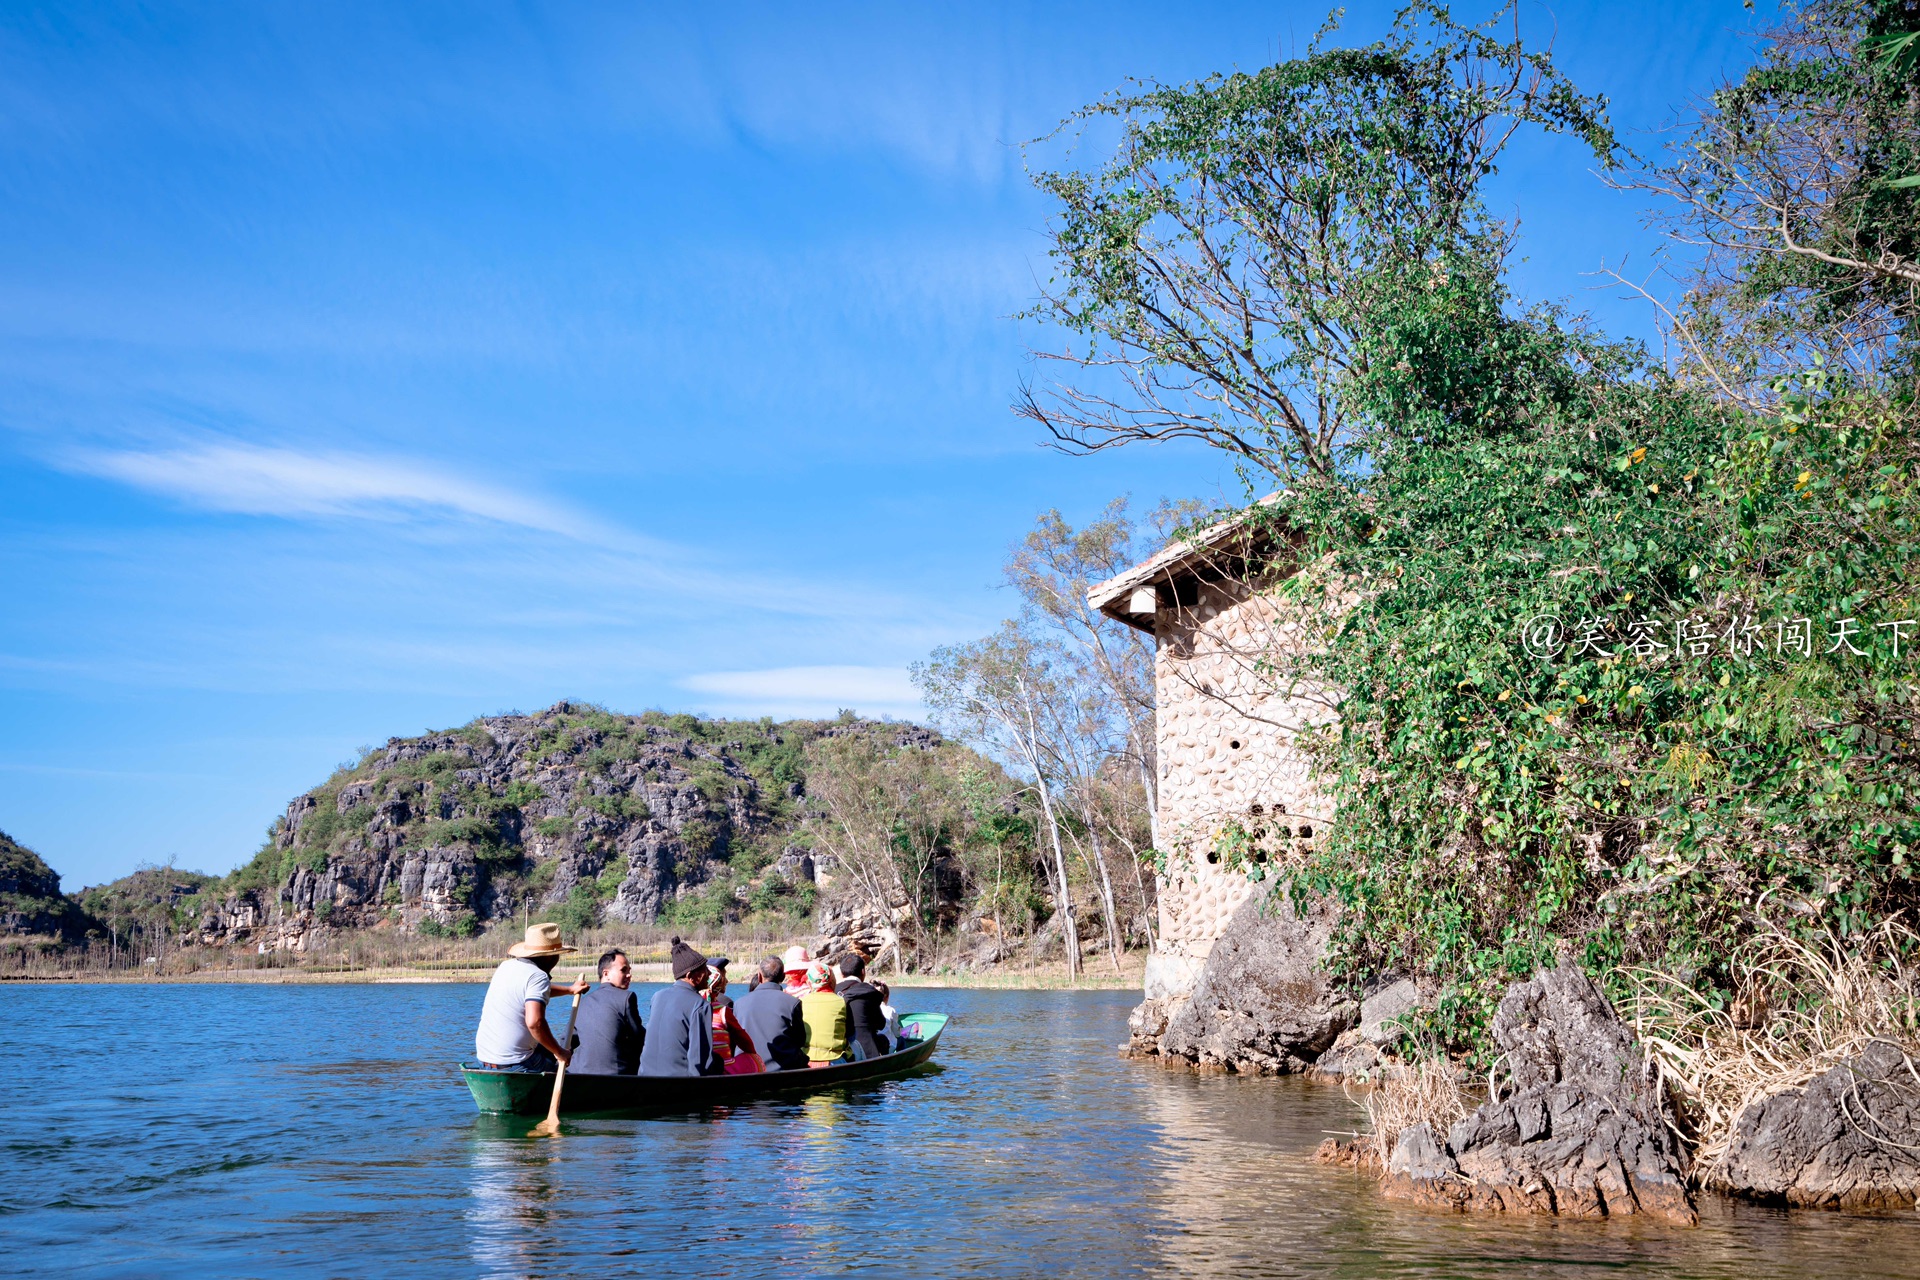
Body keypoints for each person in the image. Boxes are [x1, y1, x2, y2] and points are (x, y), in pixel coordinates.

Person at [473, 922, 590, 1071]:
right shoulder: (538, 976)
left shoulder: (506, 967)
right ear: (551, 957)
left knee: (548, 1049)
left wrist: (569, 990)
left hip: (485, 1059)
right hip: (516, 1063)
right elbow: (535, 1023)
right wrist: (560, 1052)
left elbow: (532, 991)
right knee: (566, 1070)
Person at [638, 936, 717, 1077]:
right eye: (705, 969)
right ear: (691, 976)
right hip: (678, 1083)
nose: (709, 973)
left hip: (645, 1077)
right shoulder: (700, 1005)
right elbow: (700, 1059)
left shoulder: (657, 996)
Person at [568, 948, 646, 1075]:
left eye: (629, 971)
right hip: (616, 1074)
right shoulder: (627, 997)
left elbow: (567, 1040)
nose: (629, 975)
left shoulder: (583, 1001)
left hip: (580, 1072)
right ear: (606, 974)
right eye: (623, 970)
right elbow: (639, 1038)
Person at [734, 955, 808, 1071]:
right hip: (783, 1069)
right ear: (783, 977)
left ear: (759, 976)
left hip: (746, 1069)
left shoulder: (738, 1003)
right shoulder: (793, 1003)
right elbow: (800, 1040)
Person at [704, 958, 763, 1073]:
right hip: (720, 1068)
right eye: (723, 977)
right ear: (717, 981)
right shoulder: (723, 1007)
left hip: (695, 1067)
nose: (726, 981)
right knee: (755, 1059)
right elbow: (747, 1045)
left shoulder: (689, 1005)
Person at [834, 951, 890, 1058]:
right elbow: (881, 1024)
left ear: (842, 973)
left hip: (840, 1050)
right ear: (863, 971)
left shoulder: (834, 990)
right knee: (883, 1040)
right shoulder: (870, 991)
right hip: (868, 1051)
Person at [799, 961, 849, 1067]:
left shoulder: (801, 1002)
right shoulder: (841, 1001)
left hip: (806, 1060)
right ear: (832, 981)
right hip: (834, 1059)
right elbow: (850, 1033)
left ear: (810, 982)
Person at [874, 979, 905, 1044]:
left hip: (874, 1044)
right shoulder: (890, 1010)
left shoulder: (869, 1009)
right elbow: (897, 1034)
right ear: (887, 997)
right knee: (901, 1040)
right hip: (889, 1045)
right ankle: (903, 1053)